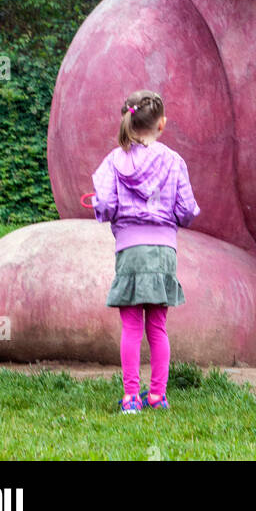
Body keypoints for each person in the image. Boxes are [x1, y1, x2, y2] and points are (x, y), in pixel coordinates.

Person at [91, 91, 200, 413]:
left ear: (128, 119)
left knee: (131, 328)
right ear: (161, 123)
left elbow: (107, 205)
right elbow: (187, 211)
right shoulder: (174, 161)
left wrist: (100, 207)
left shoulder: (113, 160)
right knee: (157, 327)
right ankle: (157, 396)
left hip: (130, 250)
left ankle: (130, 398)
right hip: (164, 251)